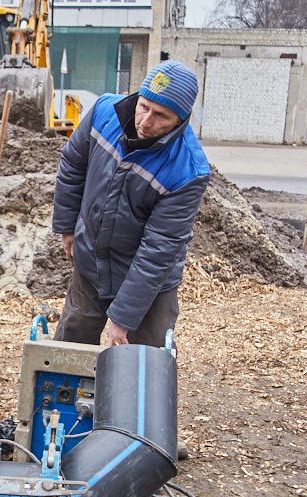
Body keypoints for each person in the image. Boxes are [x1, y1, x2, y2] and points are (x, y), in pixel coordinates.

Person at [52, 60, 211, 350]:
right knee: (71, 347)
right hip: (93, 258)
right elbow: (73, 164)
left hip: (149, 285)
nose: (146, 122)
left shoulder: (188, 170)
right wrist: (66, 226)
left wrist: (123, 318)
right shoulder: (103, 113)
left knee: (145, 363)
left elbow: (159, 248)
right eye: (144, 106)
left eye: (161, 115)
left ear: (182, 118)